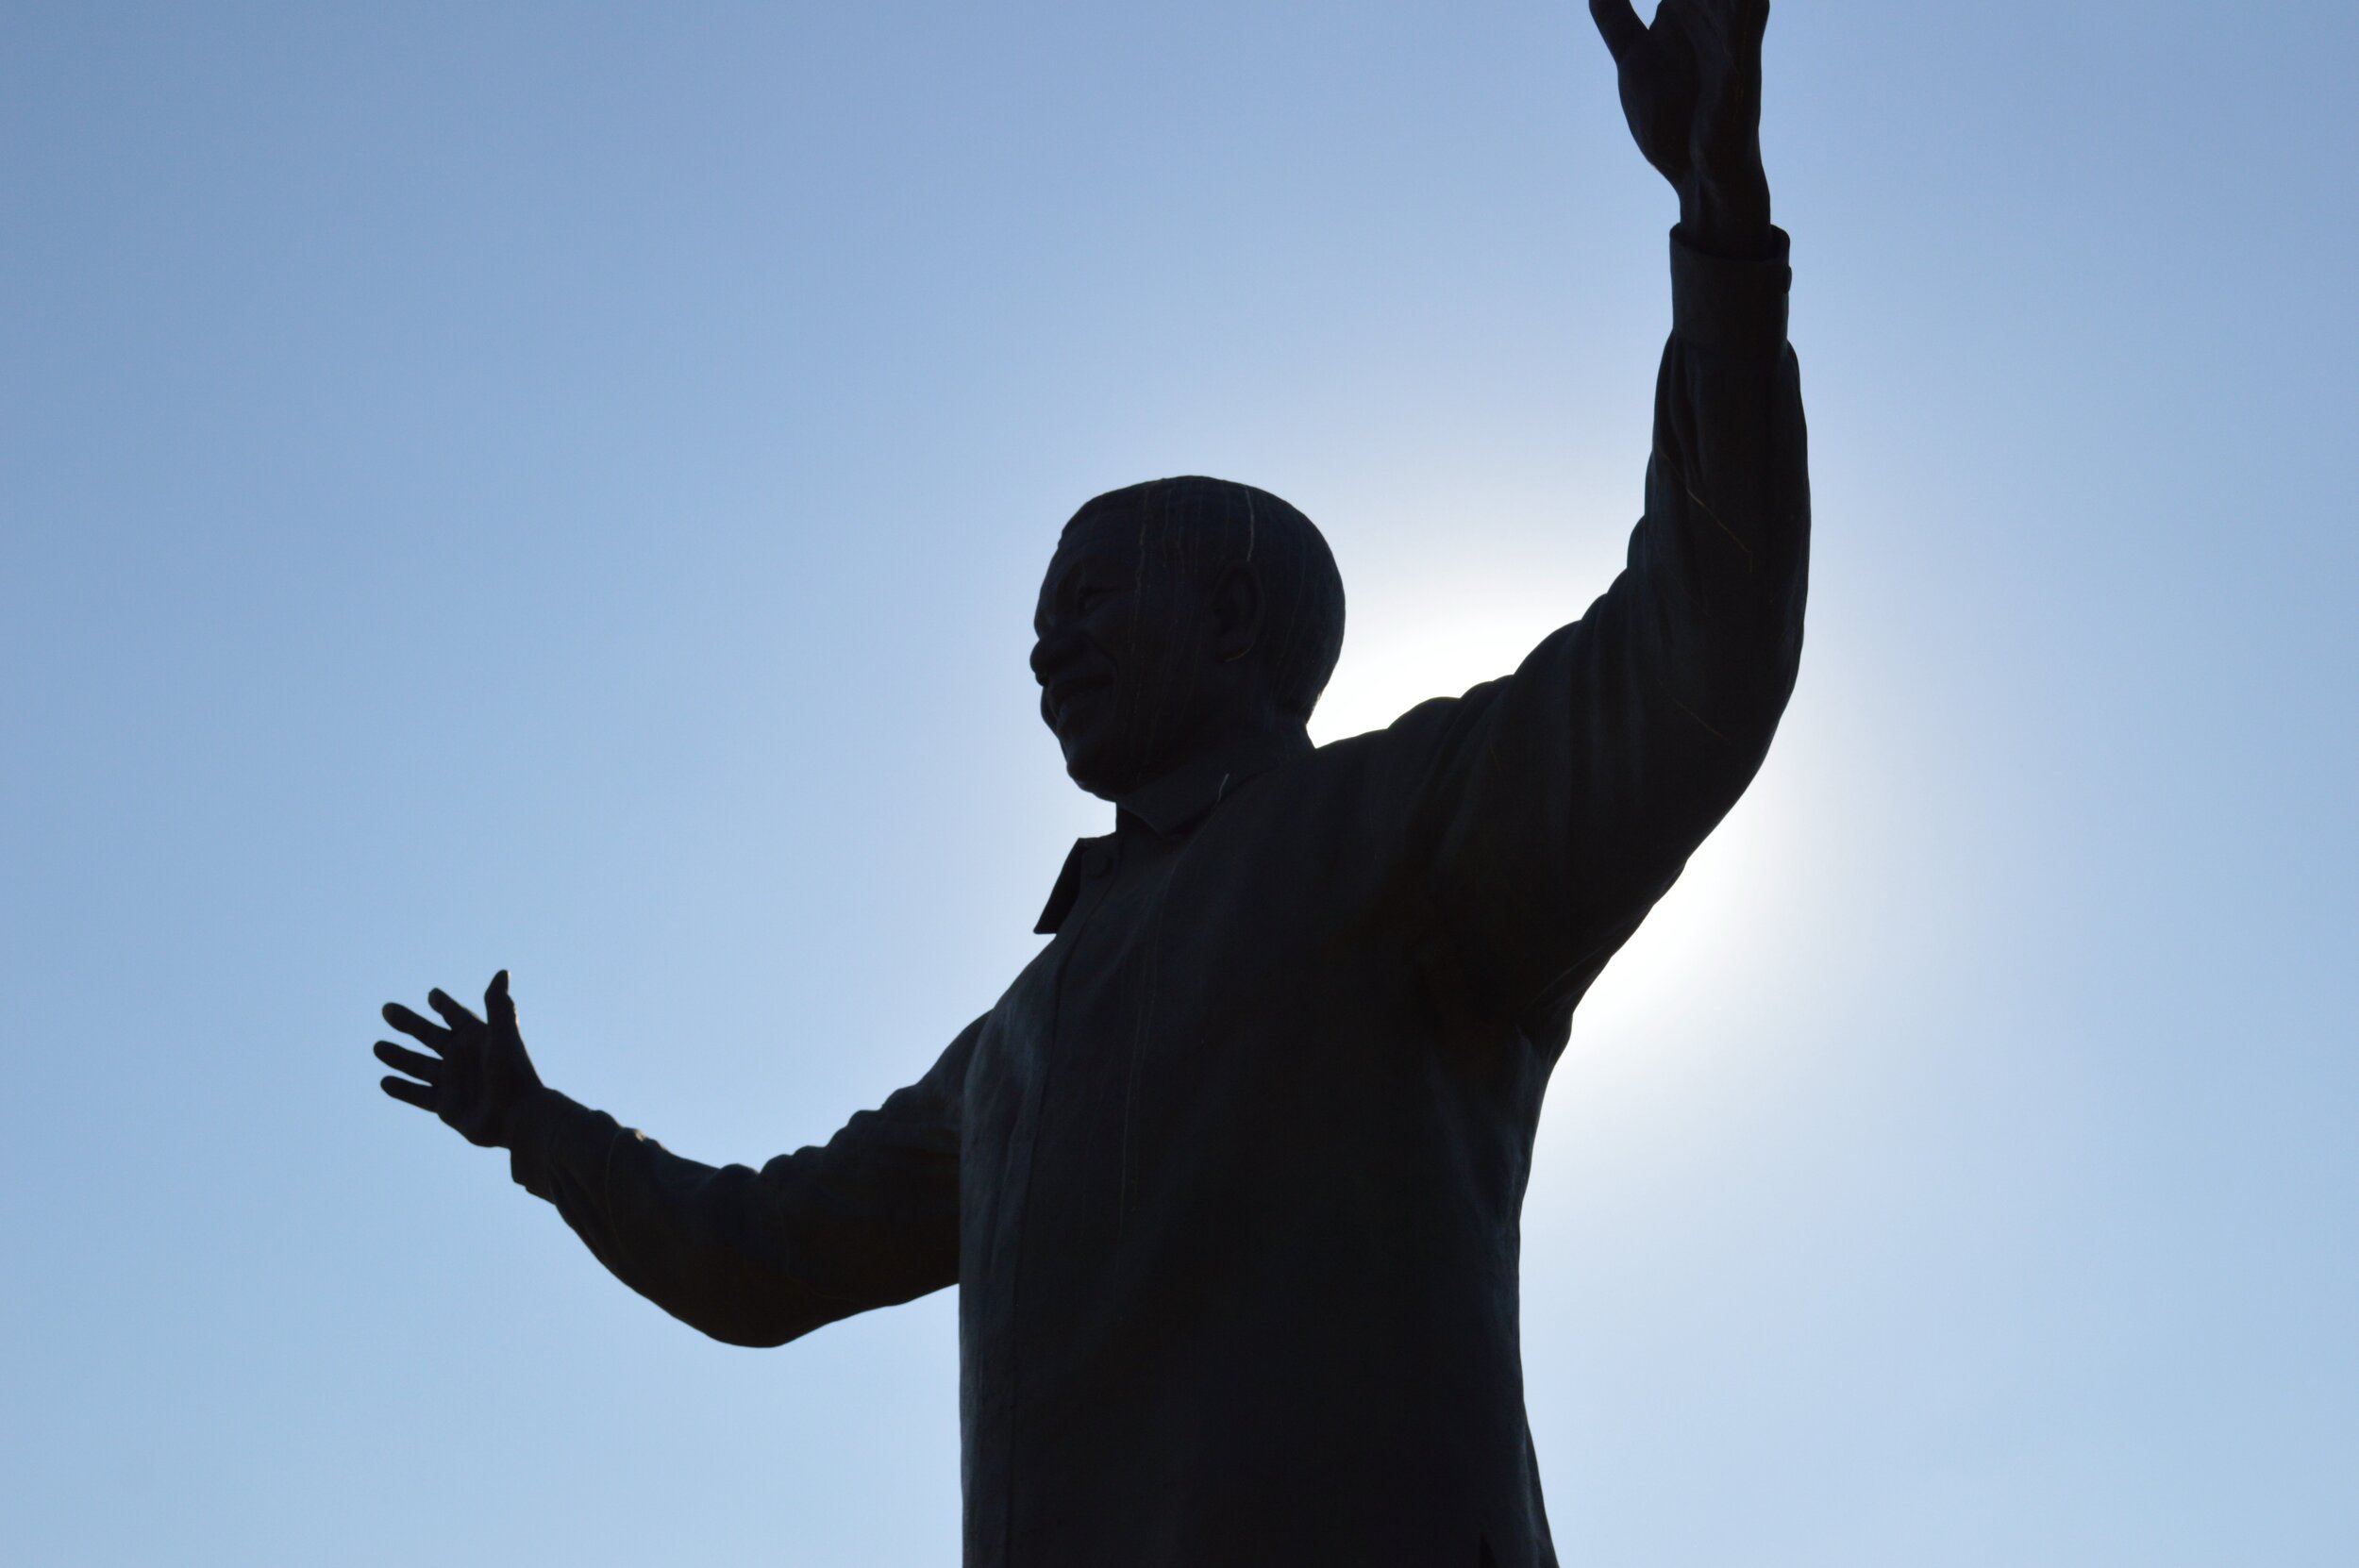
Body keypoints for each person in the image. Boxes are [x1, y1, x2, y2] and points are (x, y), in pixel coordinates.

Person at [373, 3, 1806, 1562]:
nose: (1050, 636)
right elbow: (767, 1251)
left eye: (1101, 593)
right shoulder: (1019, 1047)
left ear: (1239, 621)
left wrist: (1719, 228)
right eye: (1045, 606)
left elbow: (1696, 651)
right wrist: (537, 1124)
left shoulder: (1394, 833)